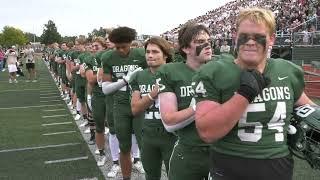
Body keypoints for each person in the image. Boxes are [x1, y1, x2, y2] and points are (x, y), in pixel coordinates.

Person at [192, 8, 316, 180]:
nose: (250, 42)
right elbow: (207, 132)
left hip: (278, 167)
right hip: (229, 166)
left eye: (258, 36)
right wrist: (244, 94)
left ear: (271, 38)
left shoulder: (287, 71)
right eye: (244, 36)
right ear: (235, 36)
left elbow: (308, 108)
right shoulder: (215, 72)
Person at [155, 23, 212, 180]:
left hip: (221, 150)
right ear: (186, 48)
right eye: (200, 42)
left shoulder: (221, 67)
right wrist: (200, 106)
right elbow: (169, 120)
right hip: (189, 151)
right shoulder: (170, 72)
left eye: (209, 40)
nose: (208, 45)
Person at [101, 26, 146, 180]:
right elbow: (106, 89)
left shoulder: (141, 54)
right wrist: (125, 80)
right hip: (120, 103)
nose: (120, 50)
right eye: (117, 47)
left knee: (145, 143)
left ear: (131, 42)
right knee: (124, 146)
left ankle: (140, 162)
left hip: (140, 102)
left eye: (123, 46)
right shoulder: (108, 57)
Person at [130, 37, 177, 180]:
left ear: (166, 55)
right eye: (148, 51)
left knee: (175, 175)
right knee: (151, 175)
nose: (150, 55)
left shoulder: (175, 73)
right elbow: (135, 109)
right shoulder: (139, 75)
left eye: (155, 52)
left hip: (172, 137)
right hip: (148, 135)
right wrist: (153, 93)